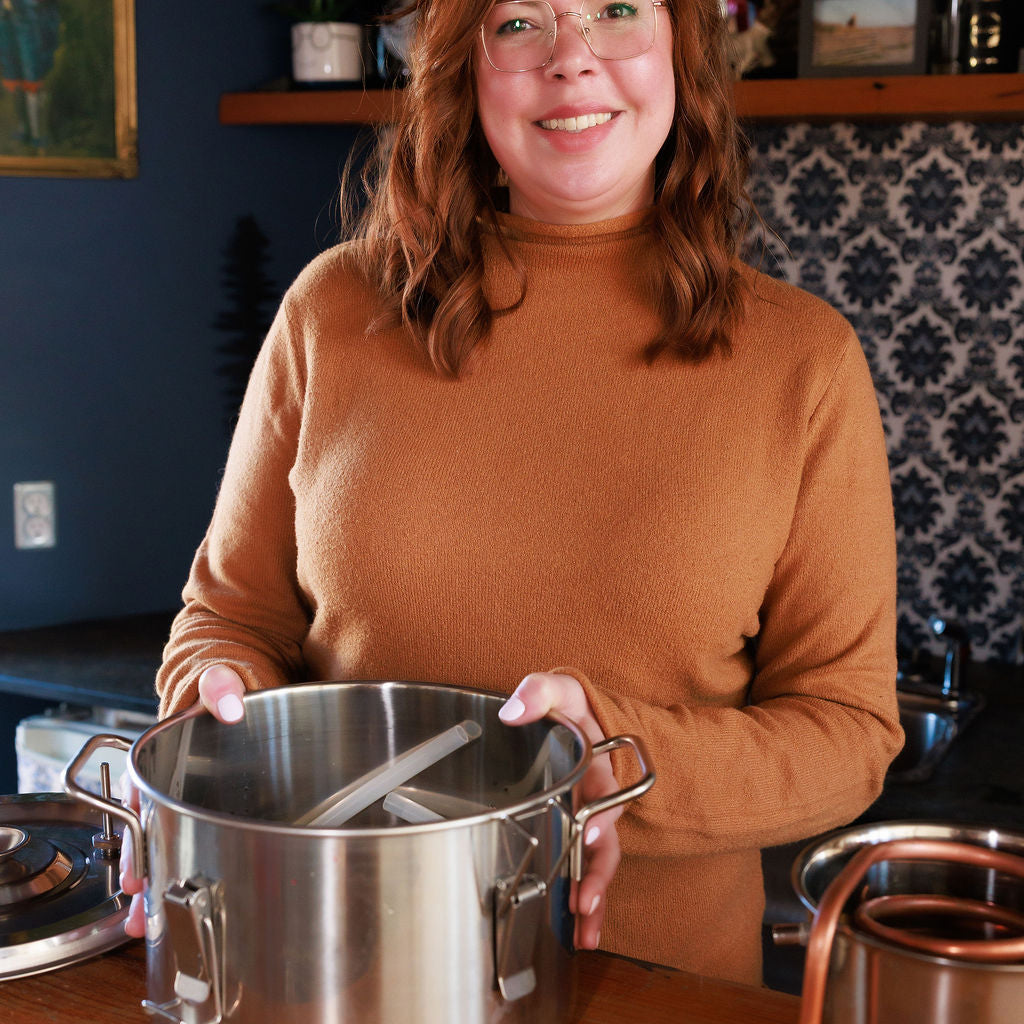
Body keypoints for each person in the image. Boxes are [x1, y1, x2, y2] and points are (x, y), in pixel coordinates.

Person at [122, 0, 903, 987]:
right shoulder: (332, 312)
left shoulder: (804, 361)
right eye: (519, 23)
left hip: (649, 989)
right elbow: (226, 617)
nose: (571, 61)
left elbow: (848, 733)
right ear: (463, 68)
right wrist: (215, 706)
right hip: (327, 969)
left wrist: (619, 760)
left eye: (617, 10)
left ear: (682, 51)